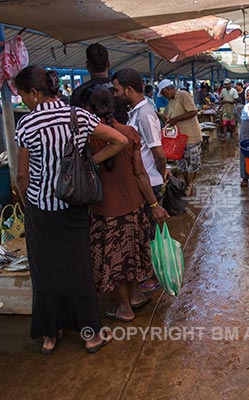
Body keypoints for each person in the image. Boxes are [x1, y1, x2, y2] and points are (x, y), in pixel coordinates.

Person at [14, 65, 127, 354]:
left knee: (46, 272)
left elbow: (21, 176)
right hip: (73, 206)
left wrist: (29, 203)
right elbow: (120, 140)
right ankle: (91, 335)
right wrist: (91, 162)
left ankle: (50, 336)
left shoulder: (26, 124)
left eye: (24, 95)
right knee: (78, 270)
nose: (24, 100)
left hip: (41, 208)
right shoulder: (77, 115)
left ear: (36, 92)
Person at [86, 86, 168, 323]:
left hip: (105, 209)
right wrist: (154, 205)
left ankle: (124, 307)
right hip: (134, 204)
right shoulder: (130, 133)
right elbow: (141, 175)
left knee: (115, 260)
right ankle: (135, 295)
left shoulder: (88, 137)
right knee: (132, 253)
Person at [113, 68, 167, 197]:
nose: (115, 95)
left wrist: (161, 175)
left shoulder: (144, 115)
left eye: (117, 90)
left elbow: (159, 154)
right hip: (144, 180)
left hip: (149, 181)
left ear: (129, 90)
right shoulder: (136, 113)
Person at [158, 79, 203, 194]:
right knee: (182, 163)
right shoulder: (171, 101)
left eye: (164, 93)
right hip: (179, 138)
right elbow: (169, 116)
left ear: (168, 89)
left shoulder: (183, 95)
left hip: (191, 136)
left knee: (193, 163)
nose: (164, 96)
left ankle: (190, 184)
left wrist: (175, 119)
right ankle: (188, 183)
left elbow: (193, 112)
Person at [70, 42, 129, 124]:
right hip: (123, 134)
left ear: (87, 65)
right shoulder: (120, 89)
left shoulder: (79, 93)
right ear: (108, 64)